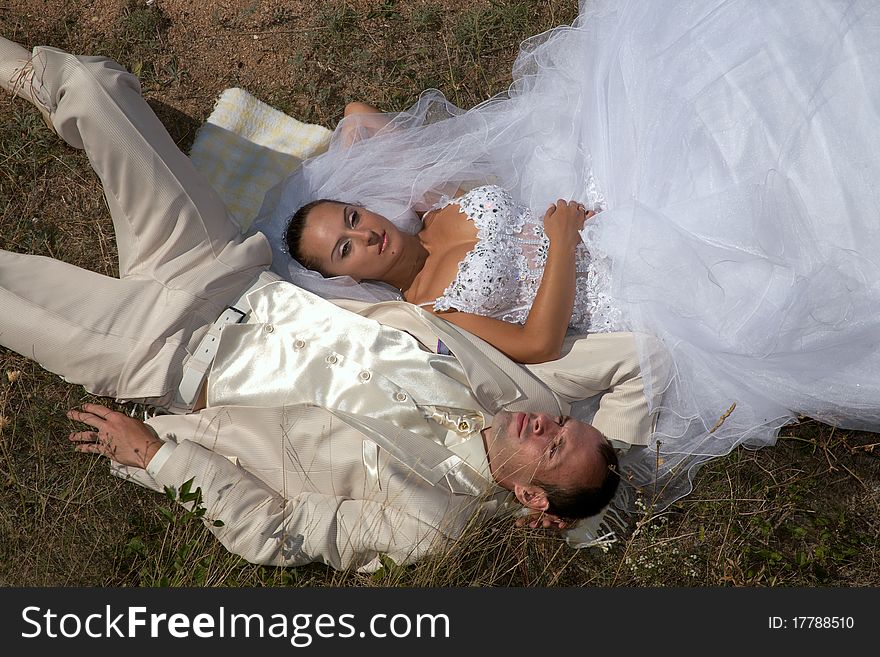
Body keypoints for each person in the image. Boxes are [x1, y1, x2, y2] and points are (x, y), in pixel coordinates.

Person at [0, 36, 660, 571]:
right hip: (222, 267)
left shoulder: (429, 521)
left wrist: (158, 458)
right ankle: (23, 73)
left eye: (552, 448)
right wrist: (605, 470)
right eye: (567, 426)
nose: (547, 426)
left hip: (167, 354)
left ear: (527, 497)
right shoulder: (522, 392)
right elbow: (641, 358)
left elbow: (279, 532)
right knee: (95, 86)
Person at [252, 0, 880, 508]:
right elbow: (539, 343)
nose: (365, 236)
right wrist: (561, 243)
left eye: (355, 217)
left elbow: (358, 117)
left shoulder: (430, 198)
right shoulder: (430, 309)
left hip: (595, 196)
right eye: (345, 249)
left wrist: (340, 179)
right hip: (610, 275)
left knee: (710, 95)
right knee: (767, 224)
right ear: (348, 280)